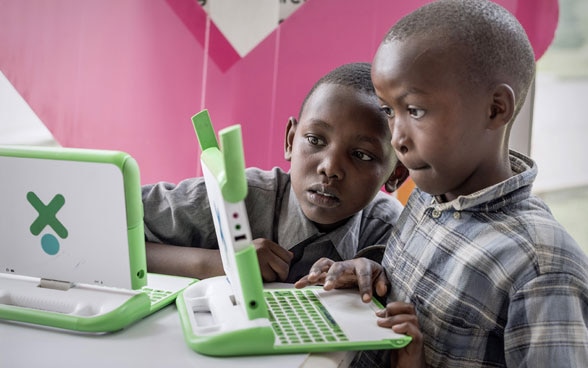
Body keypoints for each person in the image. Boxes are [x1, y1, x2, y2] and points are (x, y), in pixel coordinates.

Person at [295, 1, 588, 367]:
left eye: (415, 111)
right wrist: (370, 276)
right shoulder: (428, 198)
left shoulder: (541, 269)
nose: (397, 138)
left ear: (495, 108)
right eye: (389, 111)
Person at [142, 62, 409, 283]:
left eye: (361, 155)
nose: (330, 168)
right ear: (291, 141)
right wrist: (222, 264)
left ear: (395, 173)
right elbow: (109, 233)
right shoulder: (238, 195)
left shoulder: (392, 233)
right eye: (316, 140)